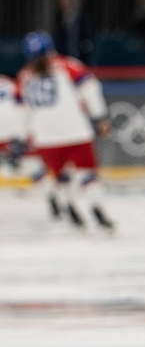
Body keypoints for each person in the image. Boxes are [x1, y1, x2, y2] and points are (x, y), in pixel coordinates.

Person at [16, 30, 114, 231]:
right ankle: (96, 207)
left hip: (44, 137)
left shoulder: (25, 76)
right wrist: (100, 117)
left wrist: (23, 136)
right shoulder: (68, 66)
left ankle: (71, 206)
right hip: (75, 132)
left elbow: (23, 110)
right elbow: (90, 88)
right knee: (88, 174)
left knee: (62, 177)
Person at [0, 74, 27, 181]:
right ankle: (16, 161)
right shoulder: (10, 82)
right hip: (14, 126)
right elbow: (21, 102)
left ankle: (14, 162)